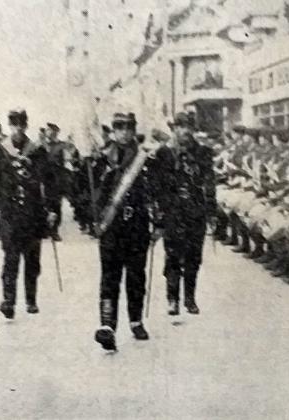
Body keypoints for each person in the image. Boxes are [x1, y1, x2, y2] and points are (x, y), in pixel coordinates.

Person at [93, 112, 166, 351]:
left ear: (134, 130)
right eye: (119, 127)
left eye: (128, 127)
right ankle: (107, 326)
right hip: (111, 227)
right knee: (109, 277)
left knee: (136, 277)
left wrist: (159, 223)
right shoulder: (102, 158)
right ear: (113, 130)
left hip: (137, 225)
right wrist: (94, 217)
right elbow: (90, 192)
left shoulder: (146, 158)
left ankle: (136, 321)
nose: (124, 131)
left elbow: (157, 191)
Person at [0, 110, 57, 318]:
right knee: (10, 257)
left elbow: (50, 181)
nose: (18, 129)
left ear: (26, 127)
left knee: (32, 258)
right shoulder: (0, 151)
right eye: (14, 125)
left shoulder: (37, 151)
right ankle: (8, 300)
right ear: (9, 127)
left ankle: (31, 299)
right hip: (10, 210)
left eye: (21, 125)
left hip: (33, 211)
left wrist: (52, 208)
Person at [160, 112, 216, 316]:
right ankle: (172, 299)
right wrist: (160, 212)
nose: (184, 130)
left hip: (196, 210)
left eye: (188, 126)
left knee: (193, 257)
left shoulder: (203, 152)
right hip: (173, 211)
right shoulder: (164, 153)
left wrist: (211, 211)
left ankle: (190, 299)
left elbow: (210, 182)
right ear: (173, 129)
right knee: (173, 256)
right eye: (180, 126)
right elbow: (159, 185)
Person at [42, 122, 66, 241]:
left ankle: (55, 230)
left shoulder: (61, 146)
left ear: (57, 132)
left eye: (52, 130)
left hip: (57, 179)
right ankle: (45, 228)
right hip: (43, 179)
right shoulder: (40, 145)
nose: (49, 132)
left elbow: (66, 162)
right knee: (43, 203)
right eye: (48, 130)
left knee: (56, 205)